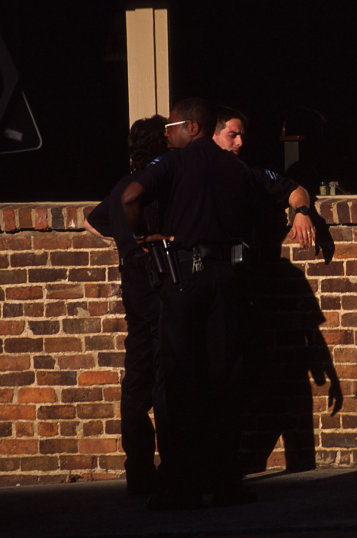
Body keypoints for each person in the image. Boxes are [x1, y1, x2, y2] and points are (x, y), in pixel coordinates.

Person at [121, 98, 316, 509]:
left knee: (178, 383)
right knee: (224, 381)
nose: (166, 134)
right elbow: (274, 194)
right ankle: (226, 480)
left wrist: (142, 237)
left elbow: (129, 196)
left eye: (171, 126)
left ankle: (181, 485)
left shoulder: (173, 163)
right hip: (227, 280)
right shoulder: (236, 168)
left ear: (192, 127)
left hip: (183, 281)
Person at [84, 115, 168, 495]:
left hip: (131, 288)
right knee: (168, 371)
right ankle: (173, 463)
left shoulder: (121, 187)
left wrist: (123, 238)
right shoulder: (154, 187)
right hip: (157, 284)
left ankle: (138, 468)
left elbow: (93, 220)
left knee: (135, 383)